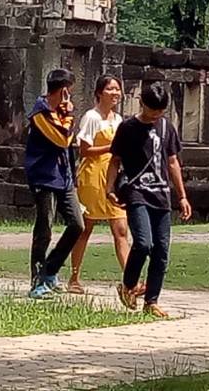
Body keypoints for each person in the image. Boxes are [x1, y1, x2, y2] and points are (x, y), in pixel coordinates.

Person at [105, 81, 192, 318]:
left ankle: (151, 300)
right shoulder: (127, 128)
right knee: (143, 243)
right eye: (152, 111)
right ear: (141, 104)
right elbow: (115, 161)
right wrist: (109, 187)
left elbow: (172, 162)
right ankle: (128, 284)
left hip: (161, 194)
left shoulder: (166, 127)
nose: (156, 116)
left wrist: (182, 196)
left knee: (161, 250)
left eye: (160, 112)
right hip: (137, 192)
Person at [67, 74, 131, 294]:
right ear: (99, 93)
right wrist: (111, 147)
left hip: (112, 174)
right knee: (86, 227)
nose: (115, 93)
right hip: (93, 175)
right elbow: (84, 150)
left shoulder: (119, 120)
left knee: (121, 228)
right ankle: (74, 277)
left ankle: (130, 280)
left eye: (117, 89)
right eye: (111, 89)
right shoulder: (91, 117)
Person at [24, 67, 84, 298]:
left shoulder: (61, 113)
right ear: (62, 91)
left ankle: (50, 270)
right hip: (44, 177)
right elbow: (61, 139)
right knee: (44, 229)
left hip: (64, 177)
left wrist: (73, 177)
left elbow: (69, 147)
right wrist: (69, 116)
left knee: (76, 224)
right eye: (68, 92)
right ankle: (37, 280)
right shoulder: (40, 114)